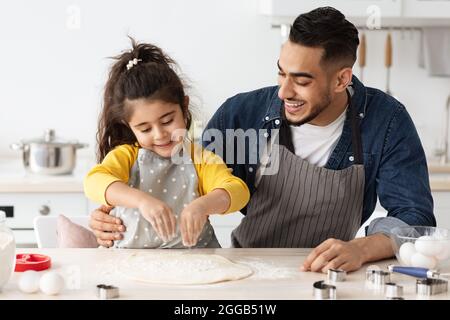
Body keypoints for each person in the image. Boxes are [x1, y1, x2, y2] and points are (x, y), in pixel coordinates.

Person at [89, 7, 435, 272]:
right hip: (249, 268)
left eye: (301, 80)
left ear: (342, 79)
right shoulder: (243, 113)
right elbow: (184, 181)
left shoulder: (385, 119)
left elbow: (414, 217)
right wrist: (113, 212)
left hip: (332, 271)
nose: (285, 92)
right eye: (281, 72)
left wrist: (360, 248)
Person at [84, 38, 250, 249]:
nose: (160, 134)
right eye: (145, 129)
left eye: (167, 121)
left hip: (195, 264)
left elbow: (238, 191)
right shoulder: (126, 156)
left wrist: (203, 205)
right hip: (130, 264)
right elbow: (94, 181)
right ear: (129, 126)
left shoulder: (199, 159)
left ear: (184, 106)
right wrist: (142, 201)